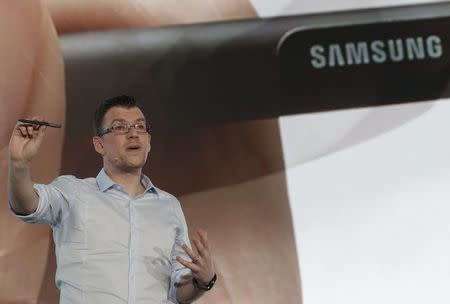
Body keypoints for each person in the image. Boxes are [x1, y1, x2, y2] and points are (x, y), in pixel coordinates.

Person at [7, 95, 216, 304]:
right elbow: (27, 205)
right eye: (120, 127)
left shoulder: (168, 206)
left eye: (140, 127)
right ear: (99, 144)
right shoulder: (73, 192)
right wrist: (18, 166)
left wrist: (203, 281)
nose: (133, 133)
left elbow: (178, 292)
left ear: (149, 142)